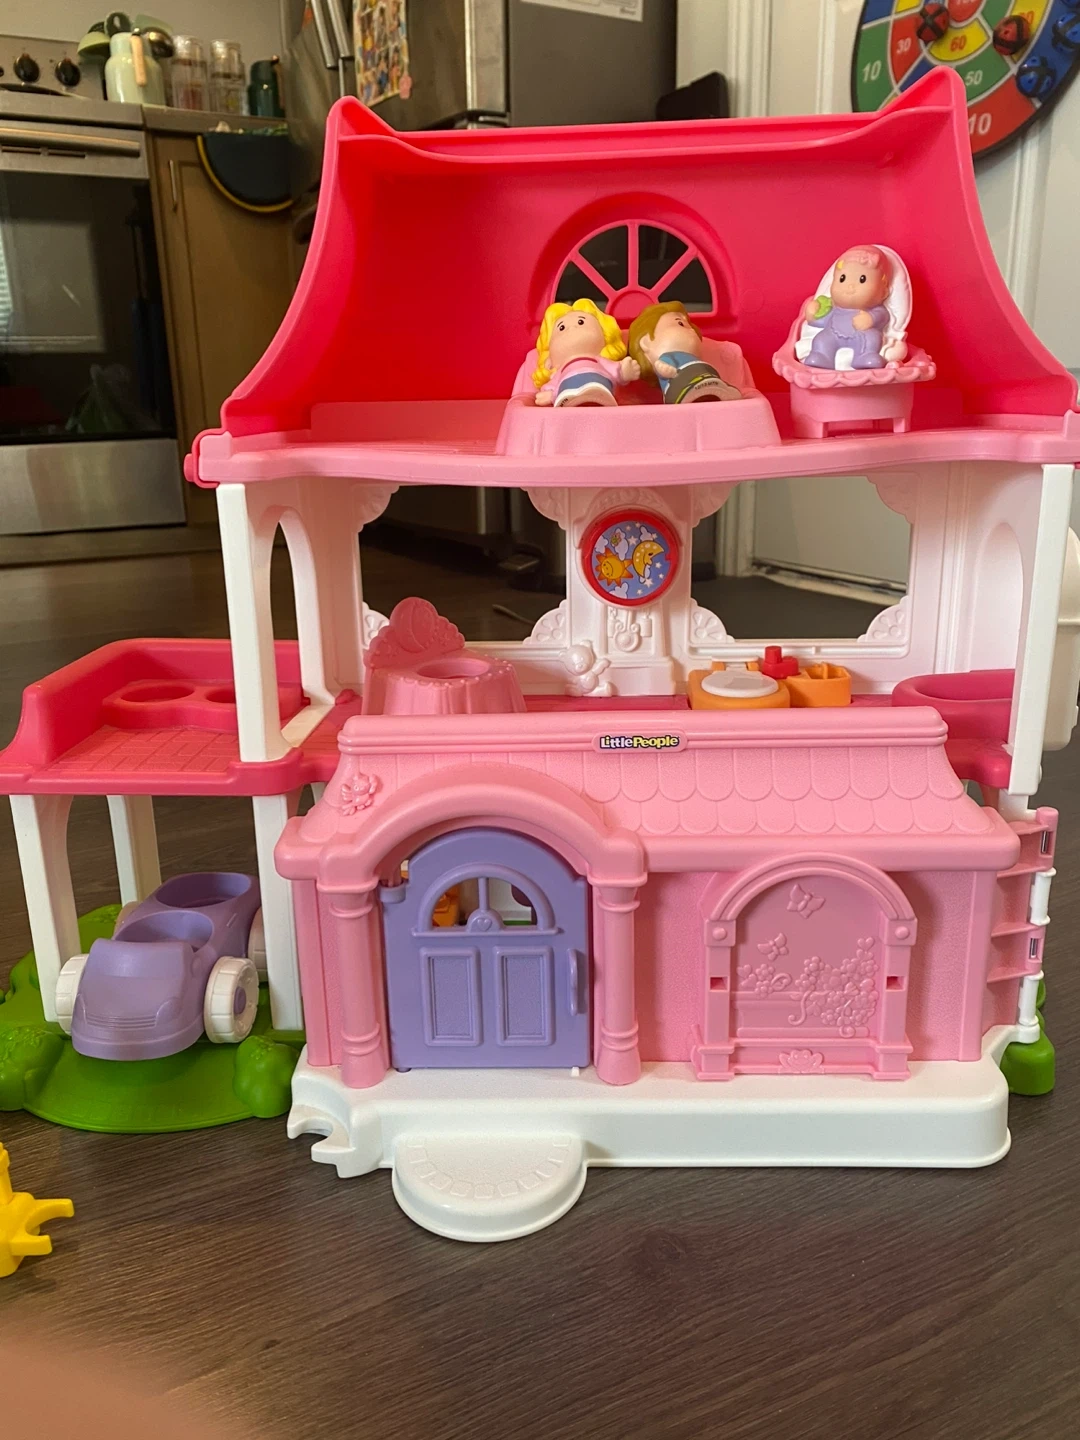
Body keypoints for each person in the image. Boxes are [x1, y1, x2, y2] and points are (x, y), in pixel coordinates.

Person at [531, 298, 639, 407]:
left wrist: (624, 372)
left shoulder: (599, 361)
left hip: (599, 384)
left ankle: (597, 393)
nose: (572, 328)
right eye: (562, 327)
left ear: (605, 336)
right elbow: (553, 383)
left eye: (581, 322)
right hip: (566, 391)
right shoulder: (560, 371)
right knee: (563, 391)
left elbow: (615, 370)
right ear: (550, 357)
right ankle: (566, 397)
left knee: (597, 386)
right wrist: (549, 394)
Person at [627, 301, 741, 403]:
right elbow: (661, 367)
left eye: (690, 325)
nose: (691, 329)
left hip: (704, 374)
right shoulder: (668, 357)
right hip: (681, 384)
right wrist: (662, 369)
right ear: (646, 342)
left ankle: (719, 388)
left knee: (710, 378)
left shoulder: (695, 358)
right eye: (680, 323)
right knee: (687, 386)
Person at [801, 245, 891, 370]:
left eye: (862, 279)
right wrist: (812, 316)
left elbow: (883, 316)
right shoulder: (835, 309)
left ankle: (865, 356)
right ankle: (822, 356)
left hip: (861, 334)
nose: (850, 286)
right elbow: (823, 322)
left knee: (872, 337)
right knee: (821, 339)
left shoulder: (875, 310)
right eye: (842, 279)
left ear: (883, 291)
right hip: (833, 333)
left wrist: (871, 318)